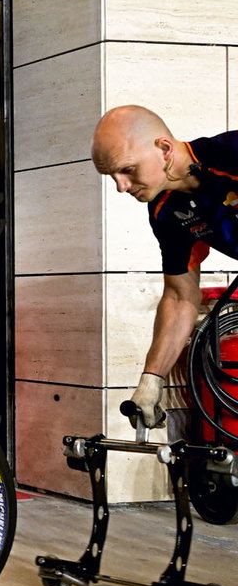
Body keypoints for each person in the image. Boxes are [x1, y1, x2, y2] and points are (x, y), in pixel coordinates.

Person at [92, 104, 238, 426]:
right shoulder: (166, 210)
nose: (121, 186)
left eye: (128, 170)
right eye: (112, 177)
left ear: (164, 149)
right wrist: (151, 379)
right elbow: (180, 296)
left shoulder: (230, 155)